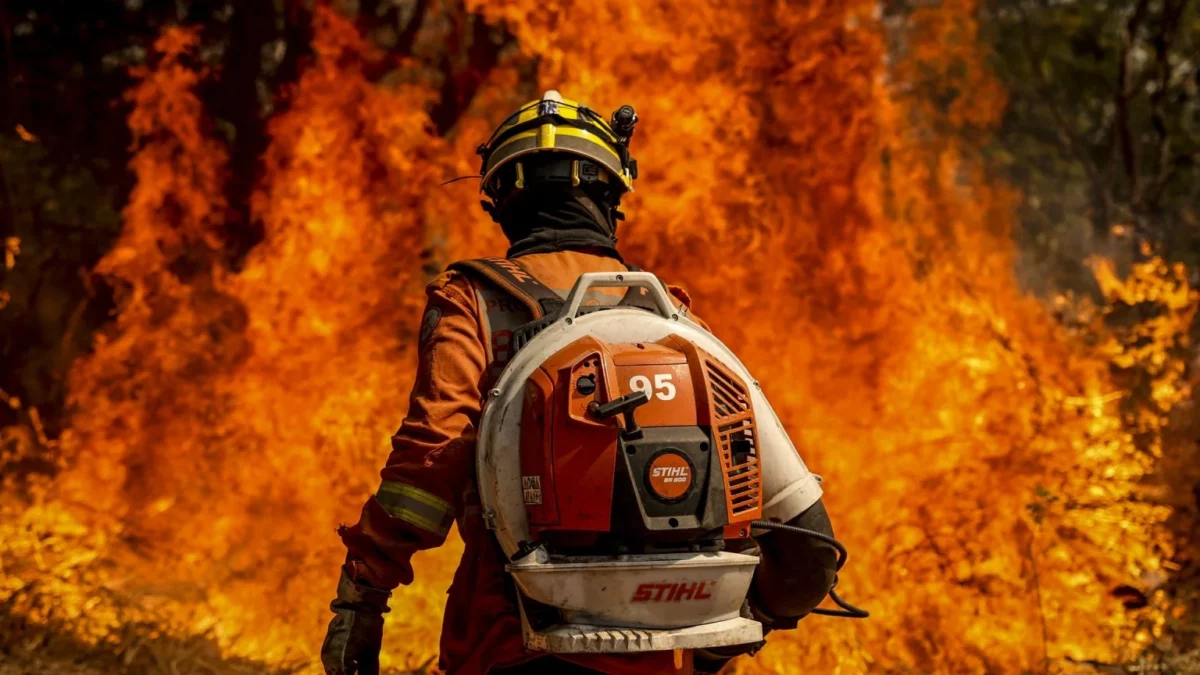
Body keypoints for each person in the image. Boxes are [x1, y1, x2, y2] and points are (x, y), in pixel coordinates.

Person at [321, 91, 839, 675]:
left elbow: (428, 462)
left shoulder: (475, 302)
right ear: (612, 197)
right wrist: (718, 634)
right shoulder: (677, 326)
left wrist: (363, 596)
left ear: (502, 203)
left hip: (509, 638)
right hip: (664, 653)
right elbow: (809, 547)